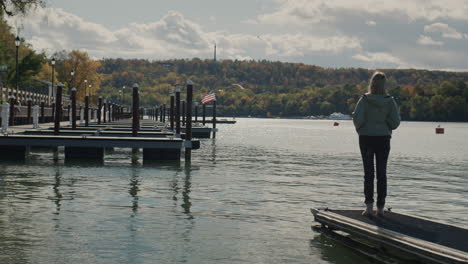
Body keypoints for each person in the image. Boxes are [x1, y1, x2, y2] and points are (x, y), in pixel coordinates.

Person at [352, 71, 400, 217]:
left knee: (368, 173)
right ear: (384, 84)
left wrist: (362, 129)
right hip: (383, 138)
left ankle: (369, 207)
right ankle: (380, 208)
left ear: (371, 83)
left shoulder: (364, 100)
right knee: (381, 173)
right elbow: (395, 122)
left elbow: (357, 118)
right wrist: (385, 125)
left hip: (366, 138)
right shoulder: (390, 101)